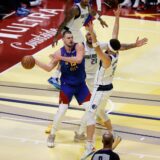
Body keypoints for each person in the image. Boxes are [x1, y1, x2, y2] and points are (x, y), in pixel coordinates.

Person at [80, 5, 148, 159]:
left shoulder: (107, 59)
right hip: (108, 88)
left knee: (90, 116)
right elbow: (115, 34)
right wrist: (117, 17)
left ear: (108, 49)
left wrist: (91, 32)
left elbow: (97, 49)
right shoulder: (115, 52)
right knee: (99, 112)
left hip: (101, 89)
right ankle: (112, 134)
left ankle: (89, 147)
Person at [35, 30, 91, 147]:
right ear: (63, 40)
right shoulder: (59, 52)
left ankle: (80, 133)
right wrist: (35, 61)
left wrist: (61, 58)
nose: (71, 40)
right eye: (68, 38)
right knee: (62, 111)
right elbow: (49, 68)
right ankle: (52, 134)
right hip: (67, 86)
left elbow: (78, 59)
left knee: (91, 110)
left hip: (81, 85)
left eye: (72, 37)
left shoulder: (79, 46)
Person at [48, 0, 108, 89]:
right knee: (74, 53)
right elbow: (64, 22)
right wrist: (56, 36)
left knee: (81, 51)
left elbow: (93, 12)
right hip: (69, 31)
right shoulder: (75, 9)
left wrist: (101, 20)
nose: (87, 0)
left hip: (76, 31)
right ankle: (55, 76)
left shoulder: (87, 6)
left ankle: (59, 64)